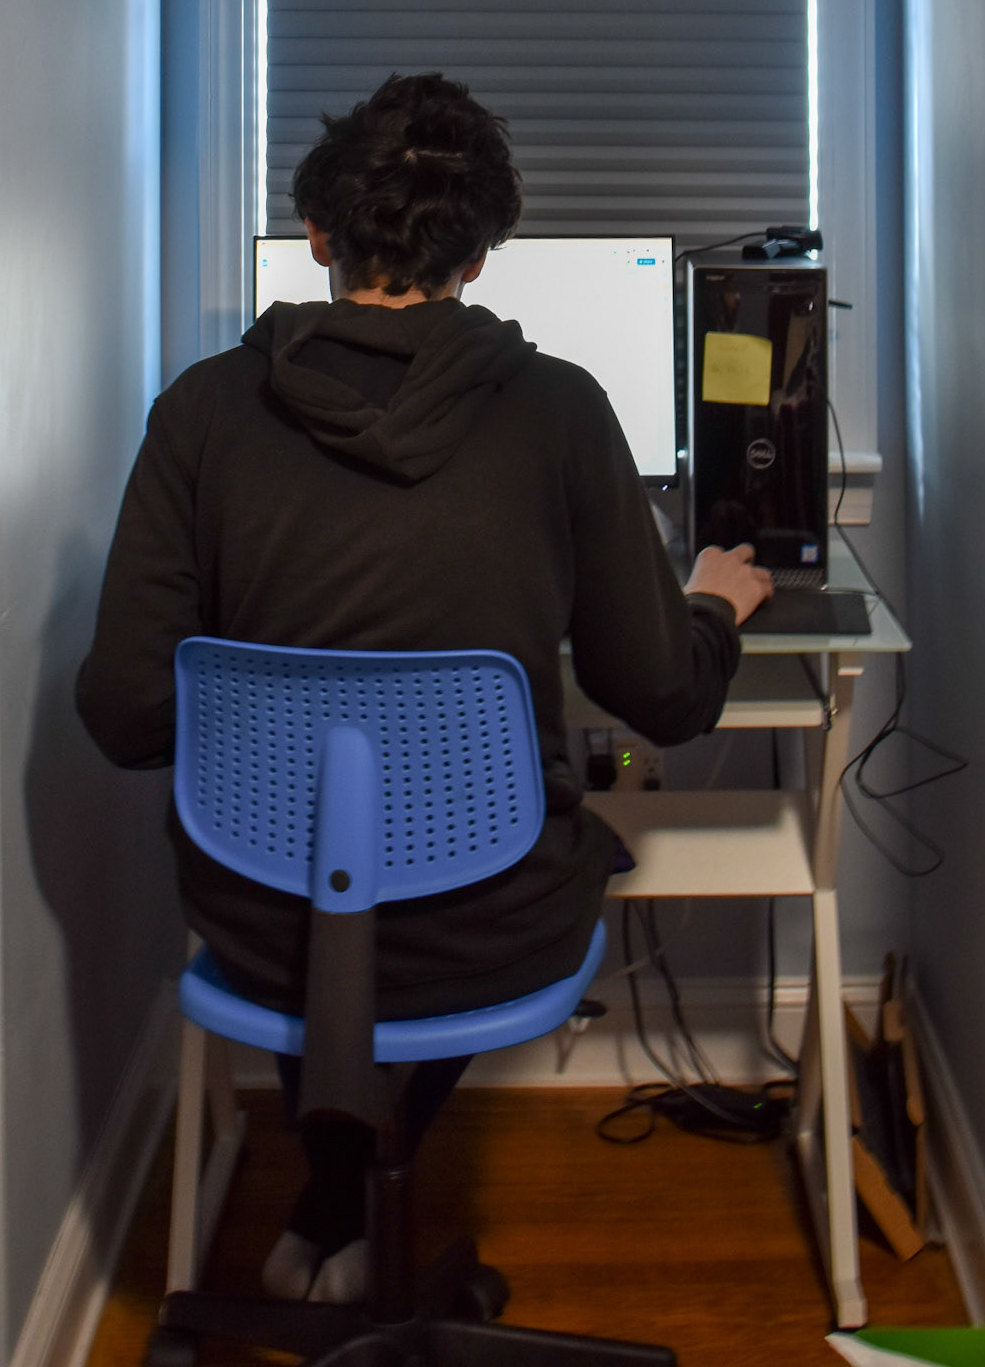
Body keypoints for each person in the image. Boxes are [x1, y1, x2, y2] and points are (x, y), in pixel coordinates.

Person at [76, 71, 773, 1304]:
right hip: (480, 927)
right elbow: (662, 695)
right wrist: (714, 598)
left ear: (318, 239)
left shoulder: (199, 409)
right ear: (483, 256)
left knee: (332, 903)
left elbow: (125, 713)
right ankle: (359, 1192)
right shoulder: (558, 409)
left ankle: (336, 1192)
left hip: (260, 916)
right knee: (535, 859)